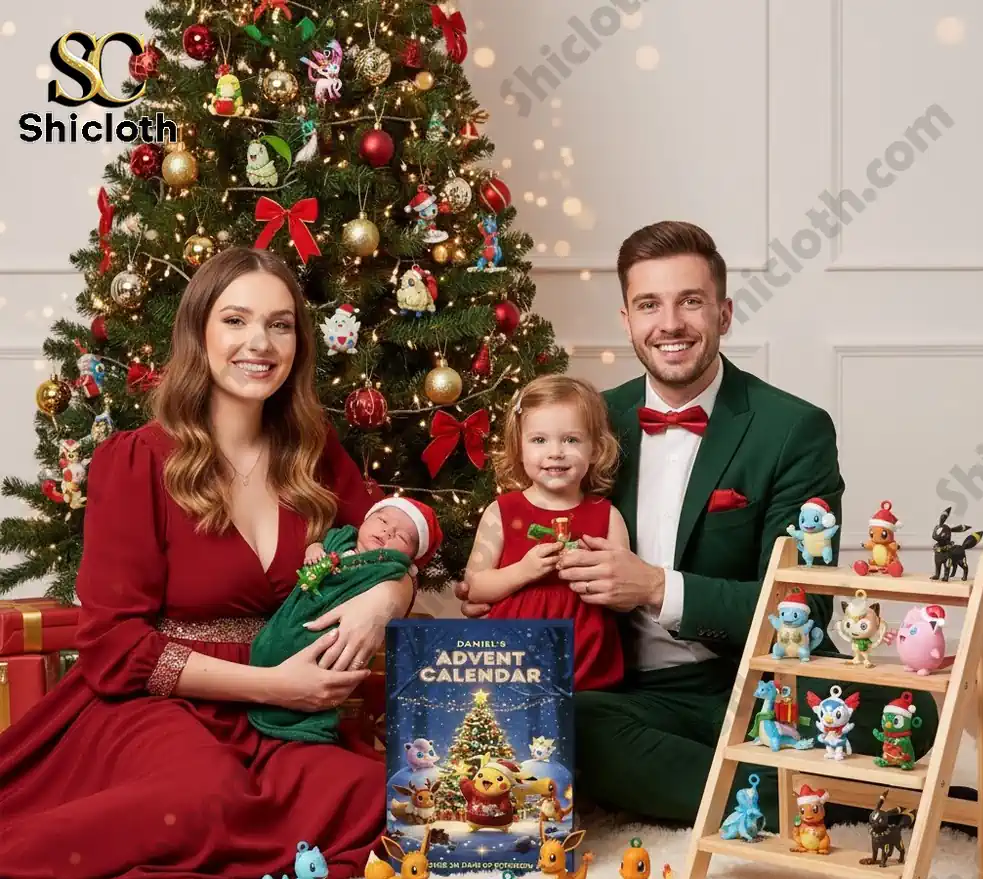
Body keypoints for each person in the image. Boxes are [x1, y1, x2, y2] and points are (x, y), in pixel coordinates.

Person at [455, 221, 938, 828]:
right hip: (628, 691)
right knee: (567, 723)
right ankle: (802, 792)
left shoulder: (792, 429)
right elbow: (518, 522)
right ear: (627, 320)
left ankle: (727, 780)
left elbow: (804, 607)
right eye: (649, 304)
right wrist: (495, 584)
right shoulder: (589, 422)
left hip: (748, 678)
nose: (671, 323)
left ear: (724, 313)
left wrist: (657, 588)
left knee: (910, 713)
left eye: (691, 301)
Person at [0, 246, 415, 879]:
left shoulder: (314, 455)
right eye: (236, 320)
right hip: (157, 701)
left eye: (280, 325)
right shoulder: (136, 460)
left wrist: (382, 598)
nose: (260, 343)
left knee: (384, 796)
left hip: (277, 720)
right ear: (199, 335)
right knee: (200, 798)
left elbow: (394, 545)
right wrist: (276, 685)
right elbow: (112, 644)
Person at [463, 375, 627, 692]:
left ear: (595, 449)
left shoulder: (608, 516)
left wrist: (591, 571)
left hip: (588, 666)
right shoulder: (502, 512)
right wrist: (524, 570)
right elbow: (476, 588)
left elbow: (622, 600)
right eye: (539, 440)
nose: (555, 452)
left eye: (571, 440)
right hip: (513, 665)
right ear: (519, 449)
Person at [247, 497, 443, 743]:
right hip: (296, 616)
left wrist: (388, 595)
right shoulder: (339, 540)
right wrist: (314, 549)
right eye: (382, 520)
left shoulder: (388, 568)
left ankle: (302, 723)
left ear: (411, 557)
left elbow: (402, 579)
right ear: (364, 520)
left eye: (402, 537)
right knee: (274, 646)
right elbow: (318, 545)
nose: (388, 531)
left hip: (331, 632)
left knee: (324, 667)